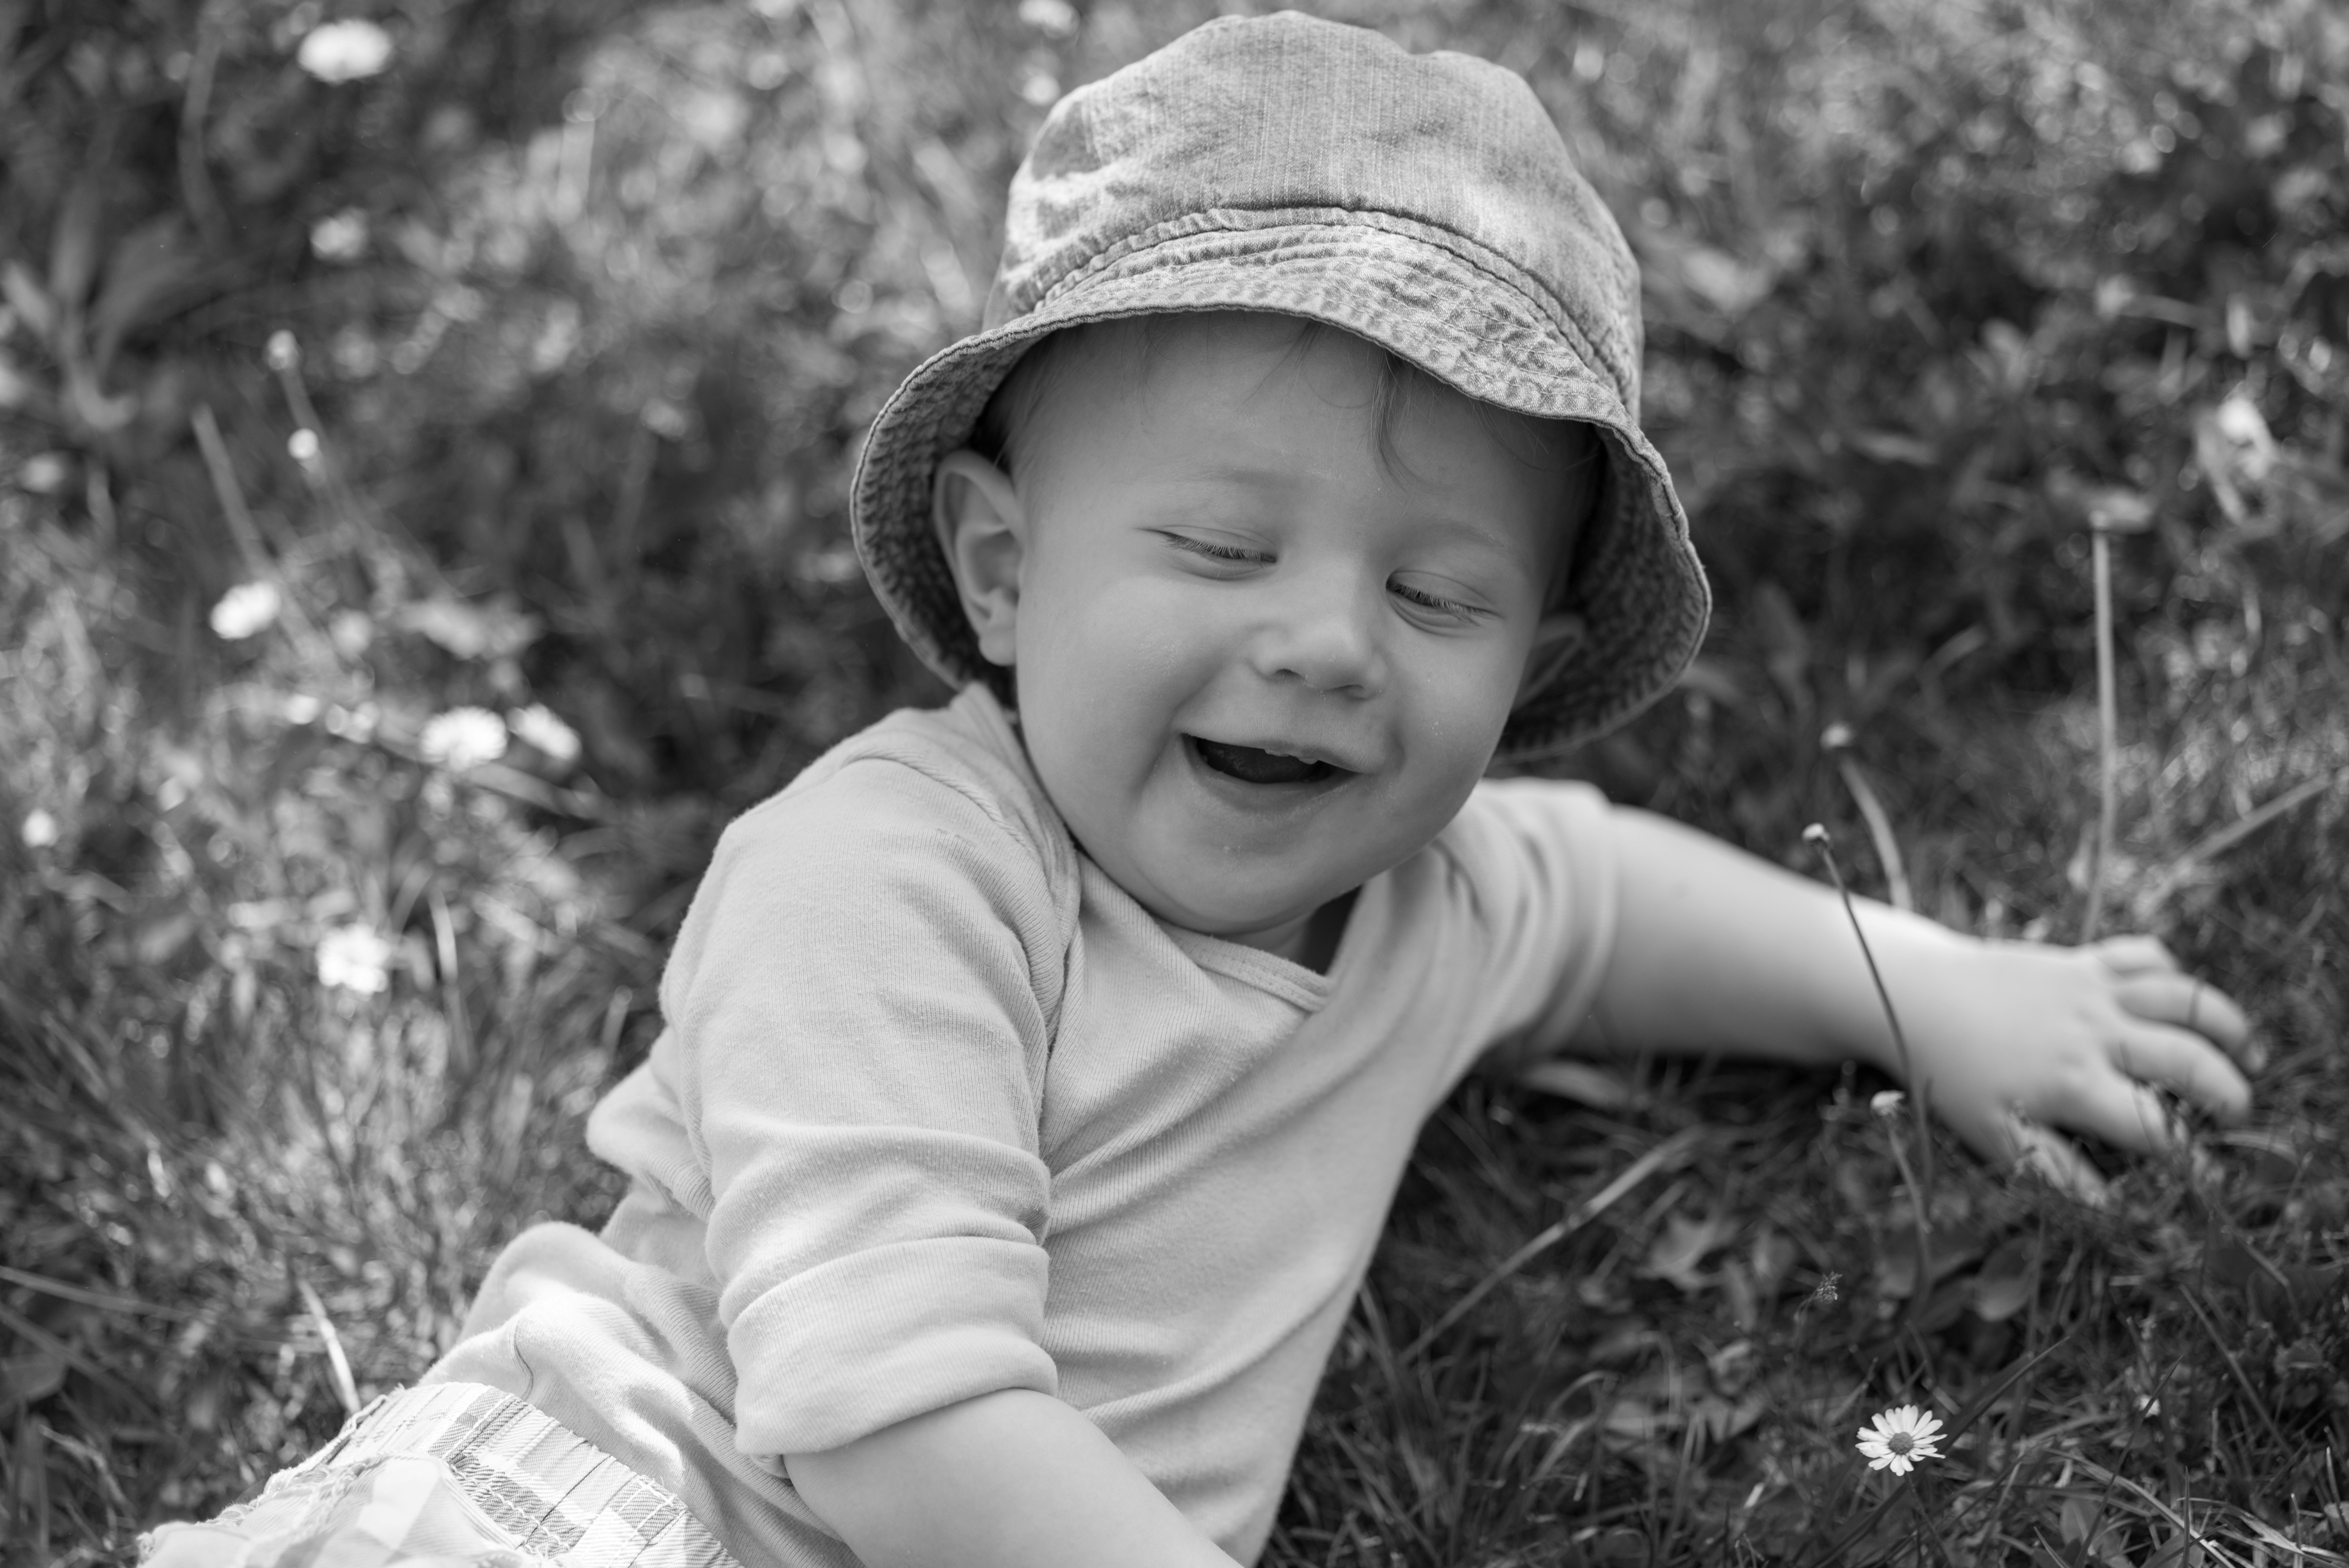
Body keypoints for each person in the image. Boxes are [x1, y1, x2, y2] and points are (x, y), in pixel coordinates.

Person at [142, 13, 2260, 1568]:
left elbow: (1600, 905)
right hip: (613, 1513)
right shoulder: (890, 881)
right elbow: (899, 1423)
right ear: (1002, 570)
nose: (1331, 640)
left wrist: (1926, 985)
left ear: (1523, 674)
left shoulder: (1429, 901)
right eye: (1224, 550)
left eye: (1434, 591)